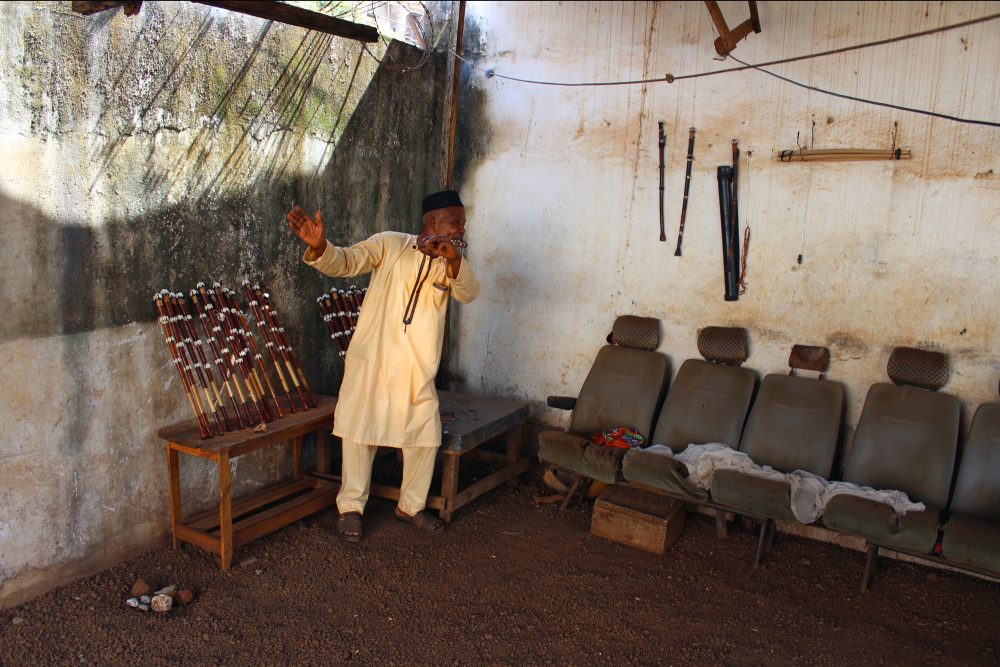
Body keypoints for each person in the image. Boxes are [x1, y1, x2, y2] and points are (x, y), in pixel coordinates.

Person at [286, 190, 479, 541]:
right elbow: (346, 262)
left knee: (424, 436)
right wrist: (320, 247)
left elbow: (469, 292)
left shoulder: (453, 263)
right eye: (457, 222)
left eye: (463, 223)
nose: (463, 229)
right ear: (433, 222)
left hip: (415, 369)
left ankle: (410, 507)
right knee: (360, 431)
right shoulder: (390, 244)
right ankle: (351, 509)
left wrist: (452, 261)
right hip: (372, 362)